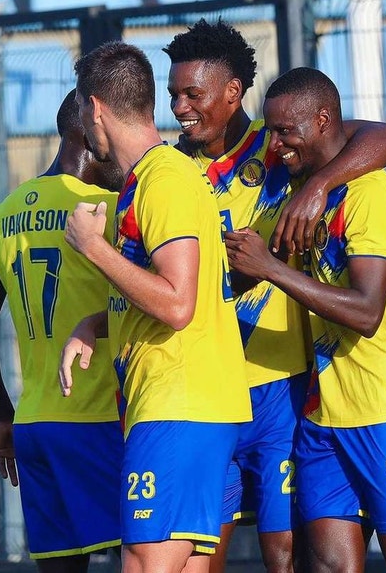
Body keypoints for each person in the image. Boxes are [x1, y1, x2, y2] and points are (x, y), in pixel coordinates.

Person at [163, 19, 386, 573]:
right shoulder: (169, 171)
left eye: (192, 95)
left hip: (281, 389)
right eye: (173, 94)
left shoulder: (279, 145)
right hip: (206, 392)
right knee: (199, 553)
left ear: (233, 92)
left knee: (286, 555)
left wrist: (319, 186)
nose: (179, 108)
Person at [225, 67, 386, 573]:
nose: (275, 145)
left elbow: (367, 312)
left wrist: (272, 269)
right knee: (326, 565)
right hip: (325, 416)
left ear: (324, 120)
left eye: (286, 131)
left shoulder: (369, 194)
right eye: (271, 131)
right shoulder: (301, 196)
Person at [60, 41, 252, 573]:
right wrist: (95, 324)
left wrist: (93, 248)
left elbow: (177, 303)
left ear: (94, 108)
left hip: (177, 408)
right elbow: (174, 290)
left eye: (82, 113)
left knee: (144, 563)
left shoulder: (163, 179)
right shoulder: (151, 178)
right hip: (190, 408)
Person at [0, 89, 125, 573]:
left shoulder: (4, 215)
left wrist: (2, 413)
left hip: (34, 424)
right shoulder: (106, 209)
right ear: (88, 133)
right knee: (145, 557)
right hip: (99, 419)